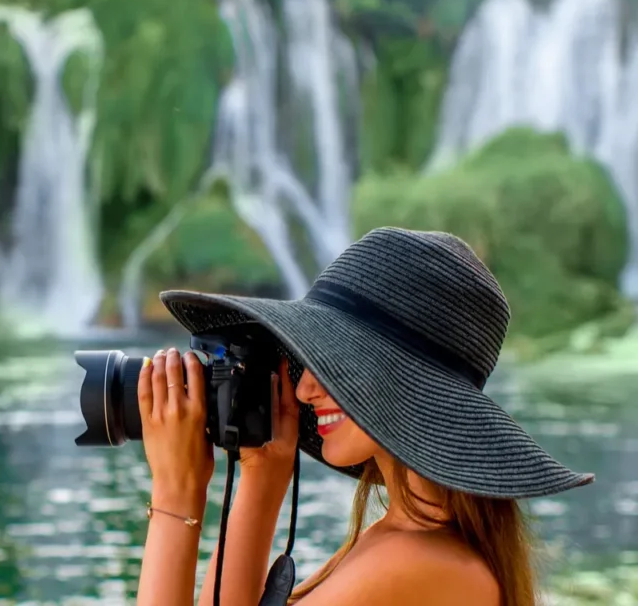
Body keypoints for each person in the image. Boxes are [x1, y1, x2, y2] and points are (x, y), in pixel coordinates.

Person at [133, 227, 594, 606]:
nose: (304, 387)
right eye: (306, 361)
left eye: (336, 364)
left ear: (403, 381)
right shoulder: (407, 539)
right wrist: (264, 475)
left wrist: (177, 492)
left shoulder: (415, 564)